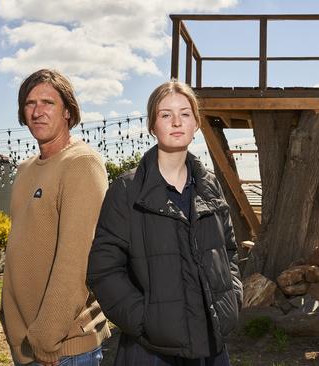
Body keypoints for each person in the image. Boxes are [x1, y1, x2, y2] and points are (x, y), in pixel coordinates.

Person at [87, 80, 243, 365]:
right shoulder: (126, 190)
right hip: (150, 351)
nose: (176, 122)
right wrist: (145, 321)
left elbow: (228, 252)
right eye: (165, 114)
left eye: (185, 113)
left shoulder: (210, 185)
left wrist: (231, 299)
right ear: (152, 125)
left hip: (211, 345)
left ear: (196, 124)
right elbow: (104, 270)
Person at [0, 69, 110, 366]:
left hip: (64, 348)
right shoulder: (24, 170)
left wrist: (46, 337)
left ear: (67, 111)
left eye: (47, 102)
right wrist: (10, 321)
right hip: (24, 342)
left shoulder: (82, 164)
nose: (37, 111)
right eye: (30, 103)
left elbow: (77, 261)